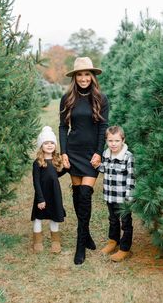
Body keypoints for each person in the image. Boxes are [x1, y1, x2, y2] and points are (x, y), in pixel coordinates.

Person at [59, 56, 109, 265]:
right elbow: (63, 127)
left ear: (92, 76)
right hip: (73, 150)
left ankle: (80, 246)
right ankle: (85, 233)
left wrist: (99, 152)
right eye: (80, 74)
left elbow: (102, 128)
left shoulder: (101, 98)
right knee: (78, 194)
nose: (83, 78)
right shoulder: (67, 98)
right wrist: (63, 153)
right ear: (75, 77)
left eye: (87, 74)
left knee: (86, 195)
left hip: (91, 155)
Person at [99, 125, 135, 262]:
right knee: (113, 219)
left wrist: (129, 197)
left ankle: (124, 248)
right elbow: (104, 169)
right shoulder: (106, 154)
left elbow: (131, 177)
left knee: (125, 222)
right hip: (110, 195)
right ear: (106, 141)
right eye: (110, 141)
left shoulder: (128, 156)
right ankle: (113, 241)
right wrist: (97, 165)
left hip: (123, 197)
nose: (113, 144)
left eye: (116, 141)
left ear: (123, 140)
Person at [31, 126, 66, 254]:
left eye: (52, 143)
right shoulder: (37, 163)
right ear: (41, 146)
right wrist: (40, 199)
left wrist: (66, 169)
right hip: (42, 194)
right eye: (46, 143)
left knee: (54, 216)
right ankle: (37, 241)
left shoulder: (56, 160)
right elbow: (36, 181)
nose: (49, 145)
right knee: (38, 217)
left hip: (54, 193)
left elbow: (55, 175)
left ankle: (55, 241)